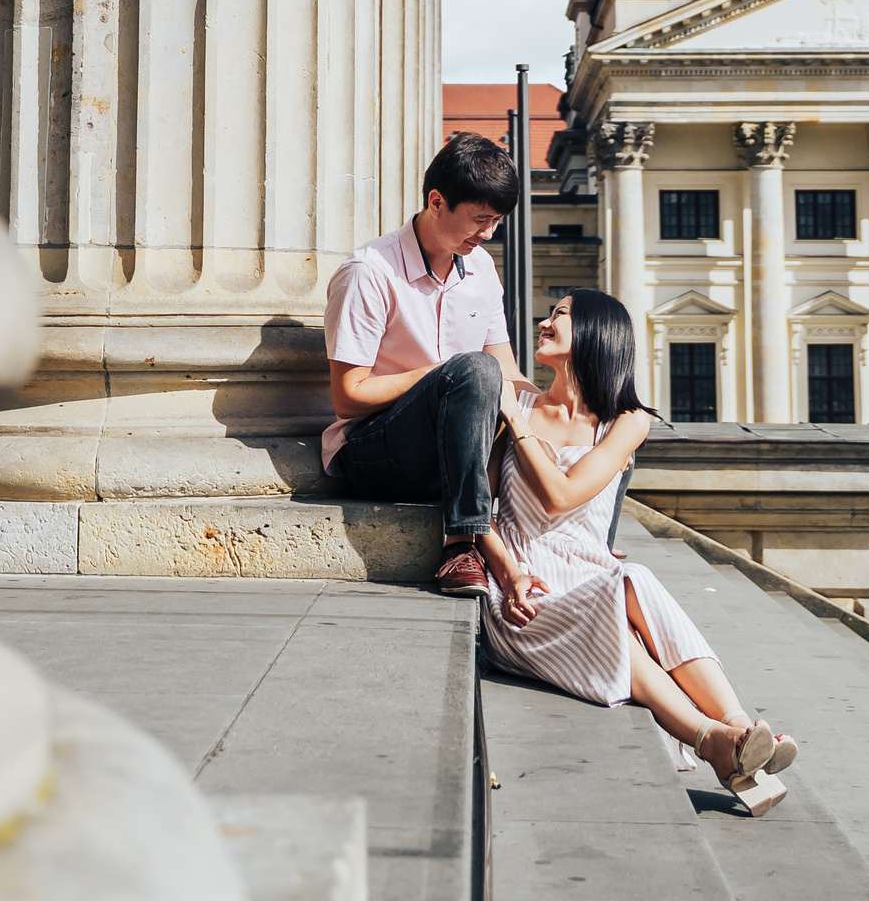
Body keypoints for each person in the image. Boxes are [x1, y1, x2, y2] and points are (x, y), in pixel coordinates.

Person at [477, 290, 797, 816]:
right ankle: (723, 740)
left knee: (633, 580)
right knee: (618, 598)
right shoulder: (517, 402)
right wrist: (508, 571)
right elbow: (479, 506)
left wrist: (519, 425)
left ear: (598, 334)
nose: (544, 321)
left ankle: (735, 729)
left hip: (589, 573)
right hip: (523, 590)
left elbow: (564, 495)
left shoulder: (628, 421)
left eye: (560, 314)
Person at [322, 134, 523, 595]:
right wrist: (444, 372)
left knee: (606, 416)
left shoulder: (483, 271)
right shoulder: (370, 271)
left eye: (496, 221)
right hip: (376, 450)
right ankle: (460, 548)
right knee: (471, 372)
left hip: (454, 446)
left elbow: (505, 372)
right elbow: (348, 396)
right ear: (437, 201)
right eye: (480, 220)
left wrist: (575, 411)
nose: (488, 233)